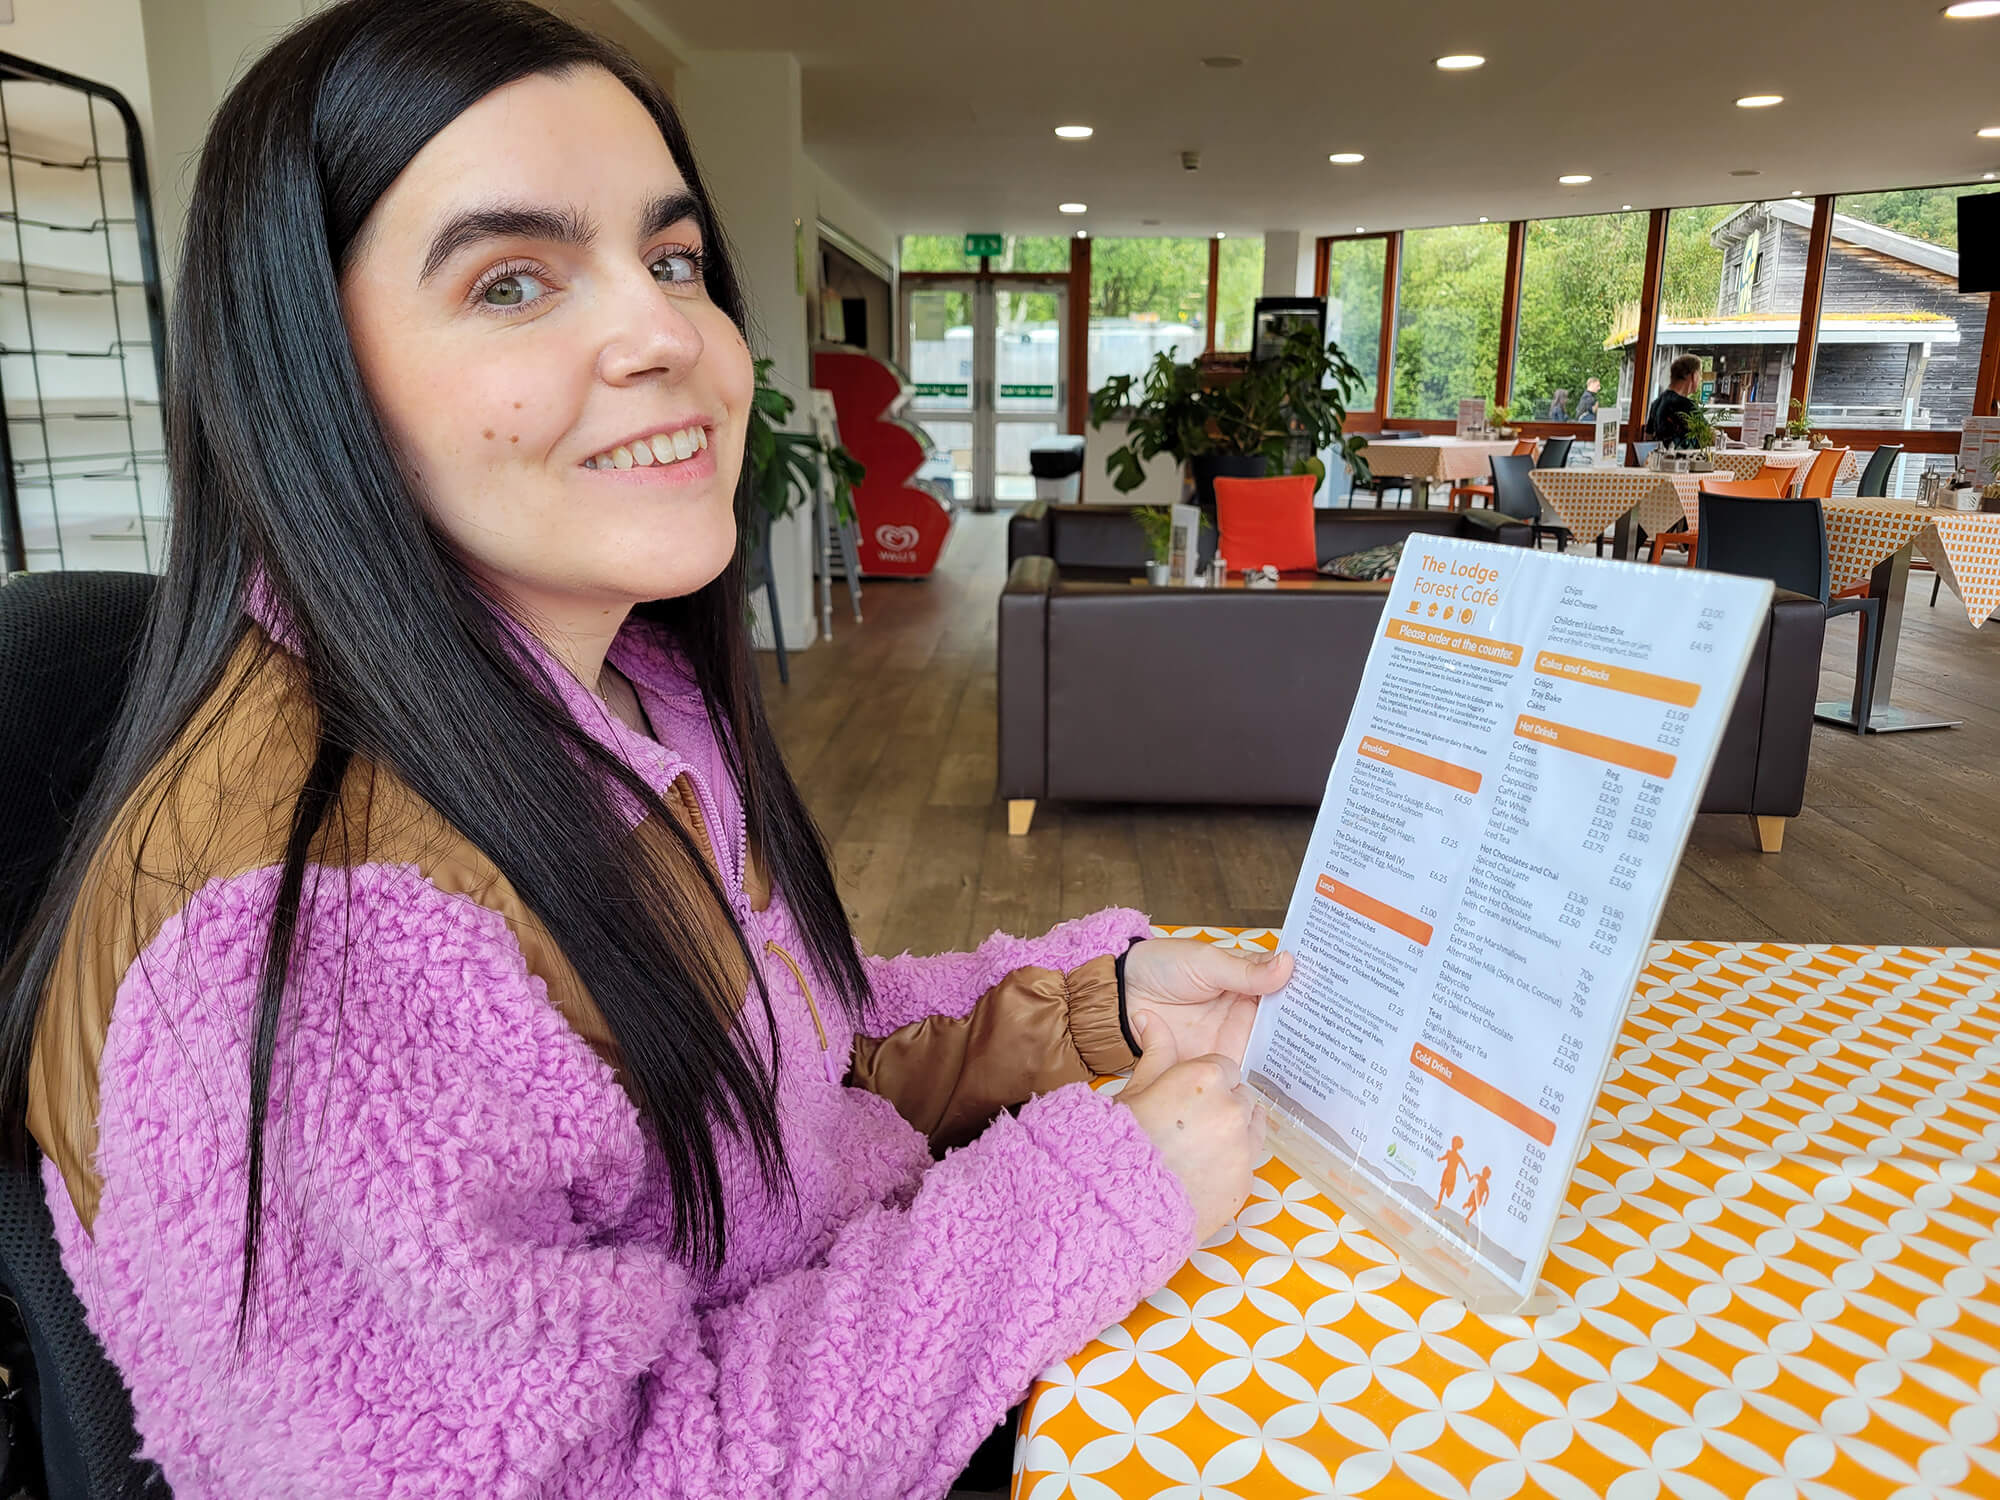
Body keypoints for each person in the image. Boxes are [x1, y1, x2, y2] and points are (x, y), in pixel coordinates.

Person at [0, 3, 1287, 1494]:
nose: (665, 330)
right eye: (512, 281)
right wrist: (1086, 1194)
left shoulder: (631, 695)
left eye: (671, 259)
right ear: (307, 379)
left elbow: (794, 1068)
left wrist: (1094, 1015)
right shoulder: (320, 939)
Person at [1645, 355, 1703, 446]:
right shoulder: (1687, 406)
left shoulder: (1656, 403)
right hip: (1685, 459)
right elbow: (1708, 435)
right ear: (1694, 376)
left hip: (1660, 458)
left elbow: (1648, 437)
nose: (1700, 379)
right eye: (1700, 375)